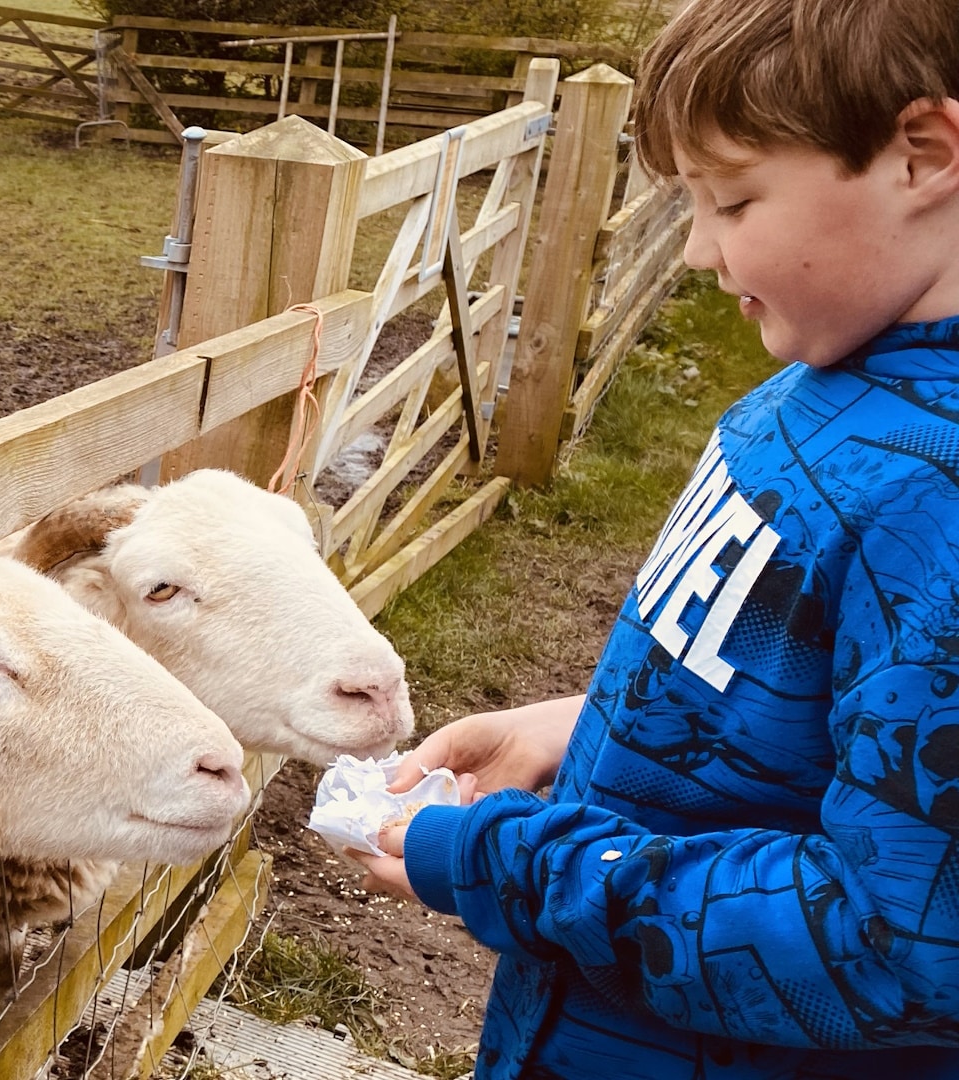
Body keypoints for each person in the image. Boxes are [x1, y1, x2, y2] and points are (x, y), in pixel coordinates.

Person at [348, 1, 959, 1076]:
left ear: (924, 153)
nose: (693, 250)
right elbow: (839, 708)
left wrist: (515, 860)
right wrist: (585, 730)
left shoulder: (936, 500)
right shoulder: (823, 389)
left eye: (732, 199)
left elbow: (897, 946)